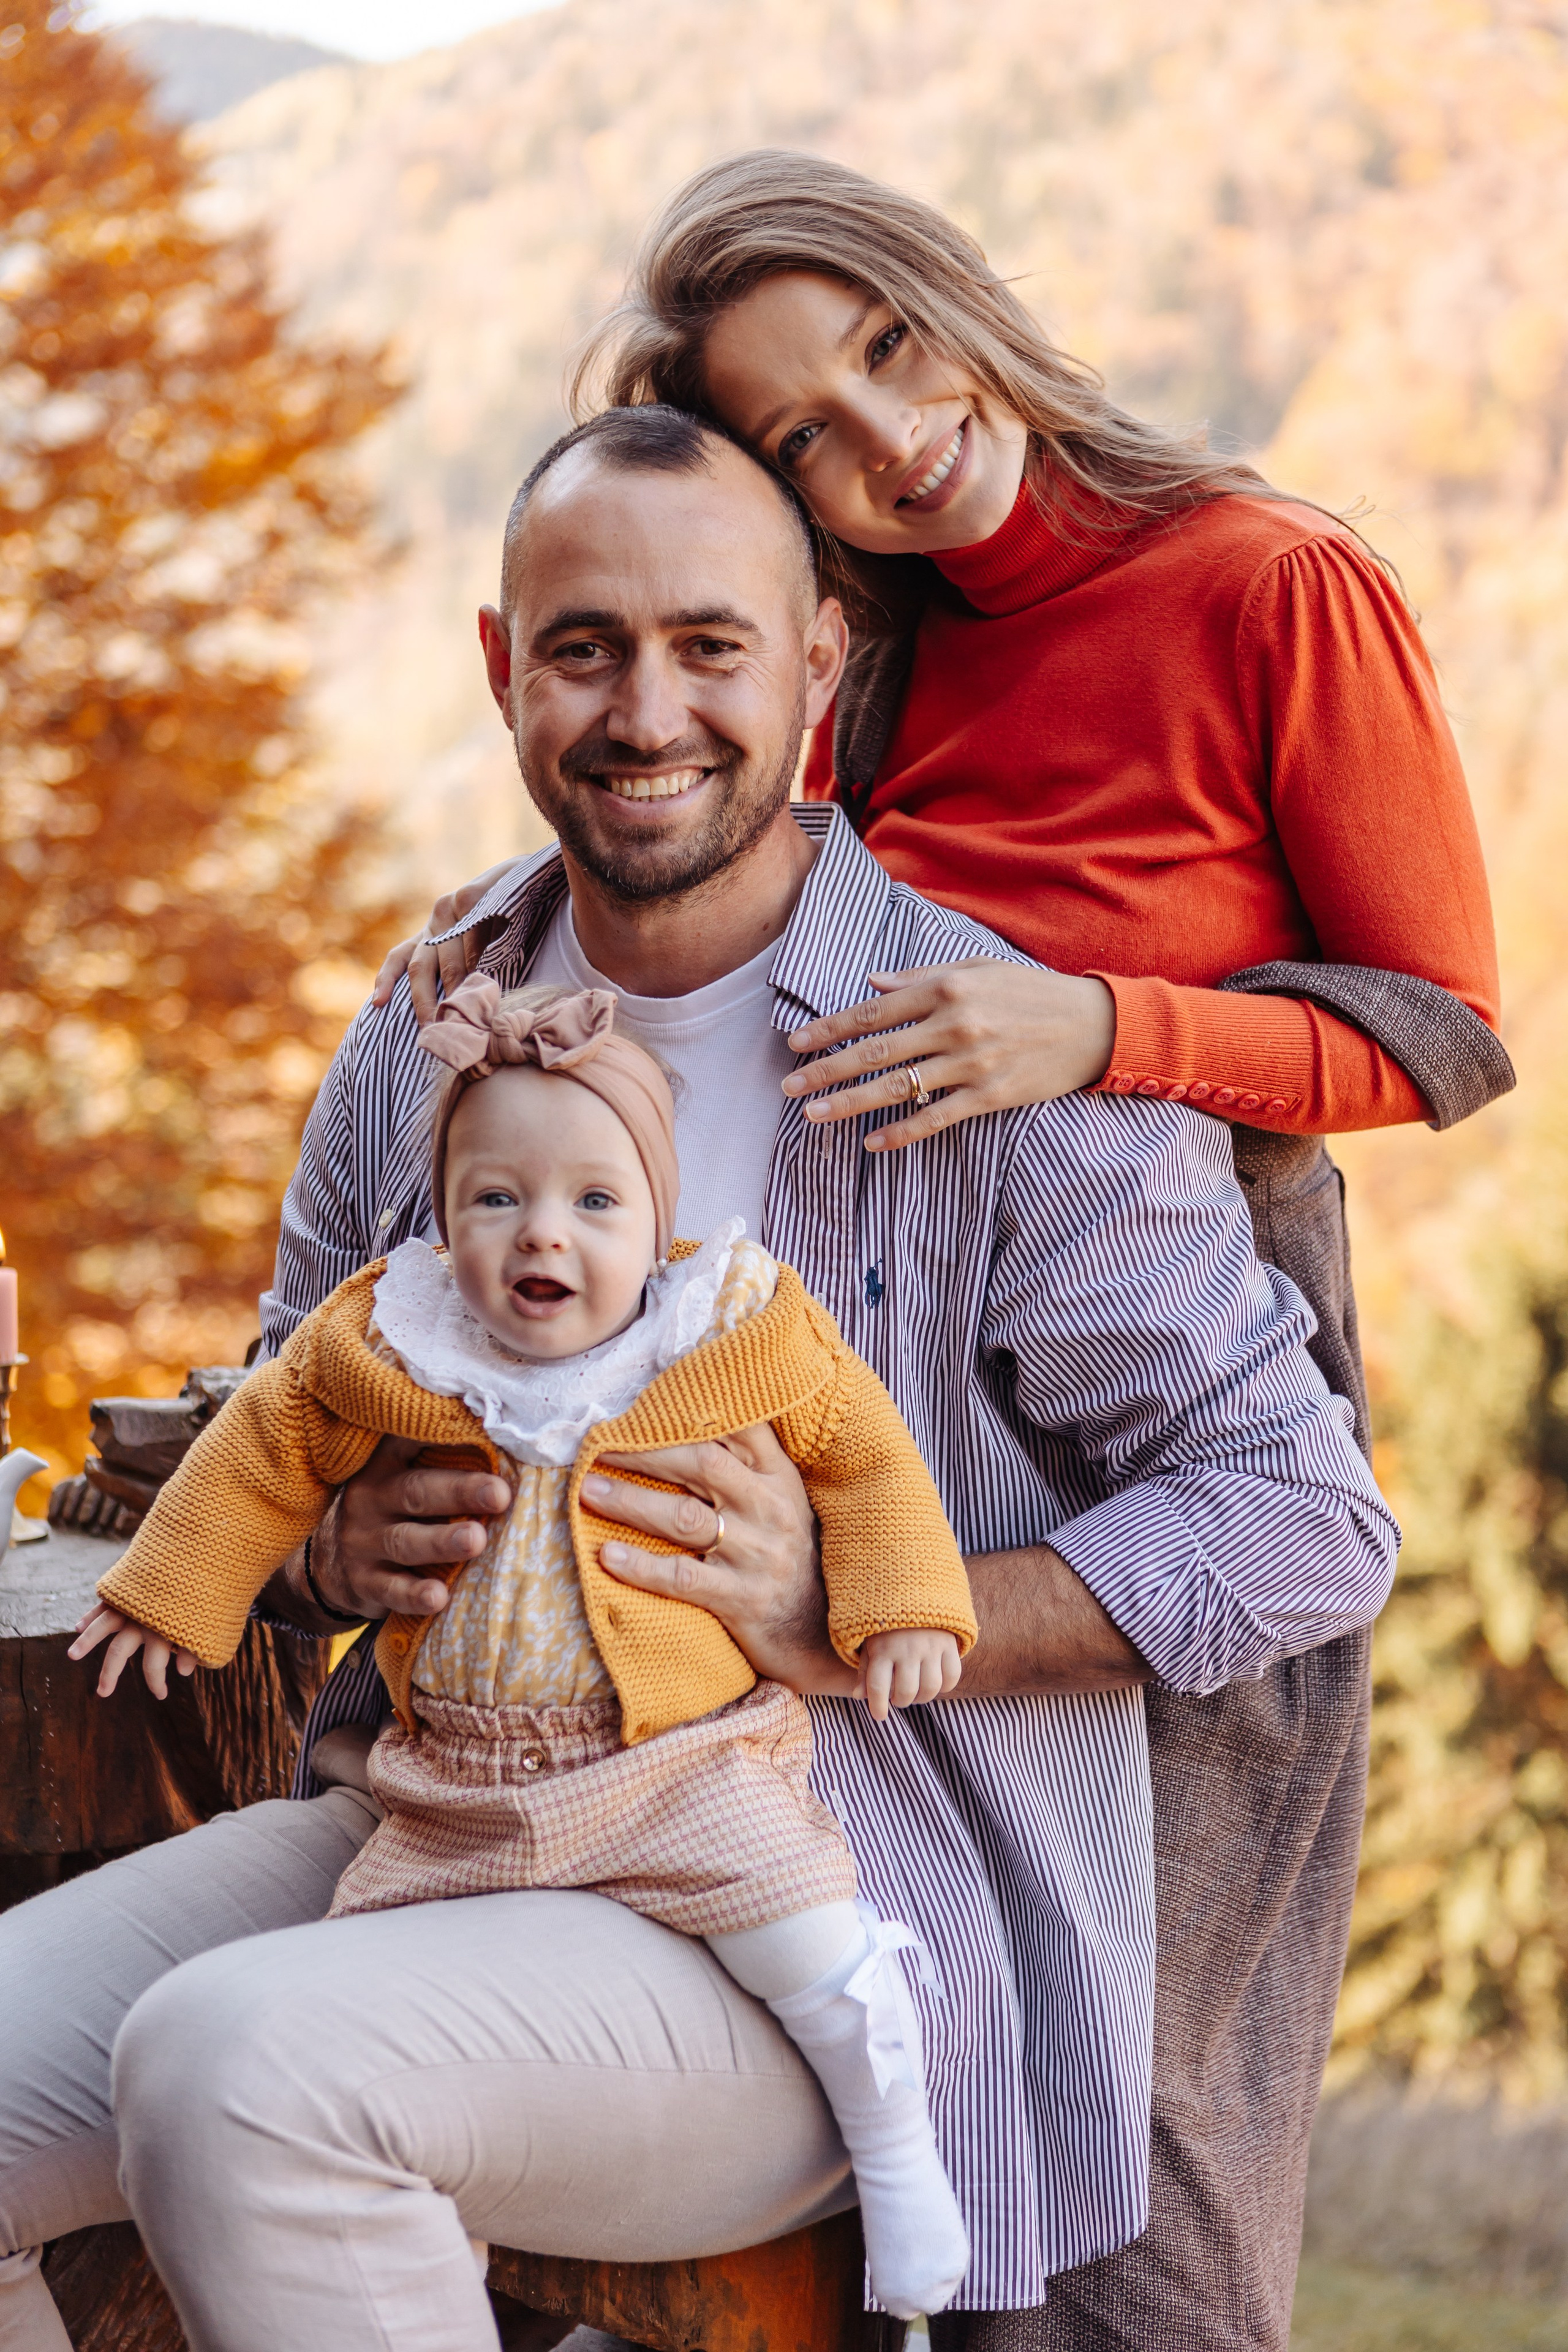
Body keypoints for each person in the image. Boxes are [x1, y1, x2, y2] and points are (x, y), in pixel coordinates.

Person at [0, 405, 1395, 2352]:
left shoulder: (975, 1044)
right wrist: (331, 1541)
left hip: (811, 1904)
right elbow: (283, 1404)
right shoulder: (429, 1033)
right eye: (584, 648)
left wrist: (866, 1612)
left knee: (239, 2072)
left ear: (820, 661)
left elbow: (1306, 1518)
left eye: (710, 645)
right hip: (435, 1822)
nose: (646, 709)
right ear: (506, 670)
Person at [387, 155, 1513, 2351]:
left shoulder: (1267, 581)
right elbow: (730, 869)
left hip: (1180, 1372)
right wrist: (510, 949)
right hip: (912, 1385)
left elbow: (1453, 1036)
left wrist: (1103, 1026)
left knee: (1146, 2121)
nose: (889, 440)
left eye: (886, 352)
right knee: (912, 2039)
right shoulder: (887, 658)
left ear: (955, 299)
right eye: (809, 435)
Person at [70, 974, 978, 2321]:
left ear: (656, 1224)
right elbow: (262, 1443)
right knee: (345, 1991)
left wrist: (895, 1607)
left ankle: (895, 2135)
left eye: (594, 1205)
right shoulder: (396, 1337)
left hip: (676, 1767)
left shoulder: (724, 1331)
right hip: (454, 1787)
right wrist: (176, 1591)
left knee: (804, 1935)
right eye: (496, 1200)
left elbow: (867, 1457)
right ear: (444, 1219)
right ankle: (426, 2240)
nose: (540, 1234)